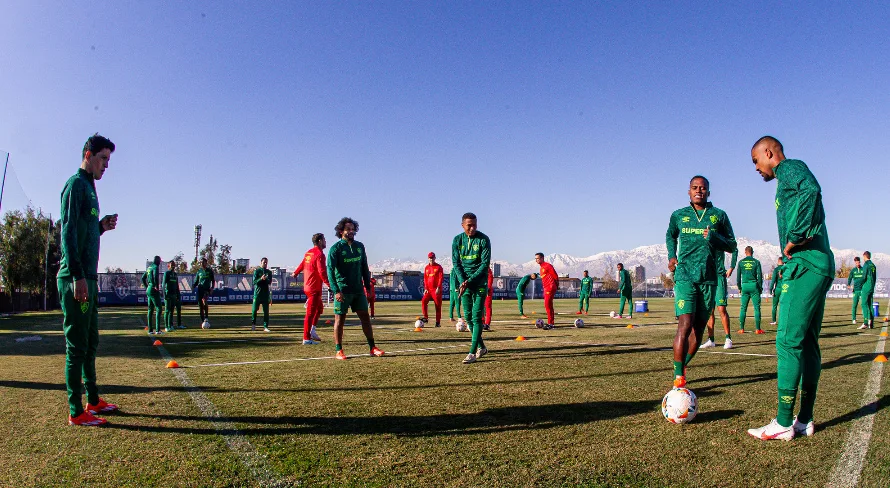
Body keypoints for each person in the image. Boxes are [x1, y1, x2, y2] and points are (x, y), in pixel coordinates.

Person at [747, 136, 834, 441]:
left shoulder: (790, 168)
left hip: (806, 264)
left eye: (756, 161)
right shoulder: (784, 178)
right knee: (808, 343)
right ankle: (804, 419)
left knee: (787, 341)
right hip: (815, 263)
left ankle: (784, 421)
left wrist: (794, 238)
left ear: (769, 153)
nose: (756, 168)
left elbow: (812, 191)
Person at [58, 133, 119, 426]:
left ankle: (93, 401)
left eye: (108, 159)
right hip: (76, 278)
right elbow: (67, 232)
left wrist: (100, 227)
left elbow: (84, 231)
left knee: (91, 342)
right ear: (87, 154)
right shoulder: (76, 185)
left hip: (88, 278)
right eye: (103, 158)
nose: (106, 165)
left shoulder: (91, 189)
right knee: (77, 345)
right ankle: (75, 411)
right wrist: (78, 277)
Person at [665, 175, 737, 389]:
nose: (699, 191)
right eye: (695, 188)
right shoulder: (679, 215)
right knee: (684, 325)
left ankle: (682, 366)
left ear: (708, 192)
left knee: (698, 332)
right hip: (685, 276)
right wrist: (671, 255)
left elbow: (732, 245)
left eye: (703, 188)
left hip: (709, 280)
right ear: (688, 191)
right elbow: (670, 235)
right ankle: (679, 379)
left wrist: (714, 237)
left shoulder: (719, 216)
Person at [327, 217, 384, 359]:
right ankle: (339, 350)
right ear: (341, 231)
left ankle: (372, 347)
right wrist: (336, 291)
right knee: (340, 320)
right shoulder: (336, 249)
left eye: (353, 229)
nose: (351, 232)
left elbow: (364, 267)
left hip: (358, 290)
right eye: (348, 229)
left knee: (365, 318)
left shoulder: (360, 246)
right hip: (343, 291)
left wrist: (367, 286)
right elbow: (330, 270)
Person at [452, 212, 491, 364]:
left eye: (475, 224)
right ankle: (482, 347)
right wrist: (463, 281)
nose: (472, 228)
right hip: (465, 283)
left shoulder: (484, 239)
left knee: (476, 317)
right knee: (467, 318)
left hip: (479, 283)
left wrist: (469, 281)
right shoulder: (457, 240)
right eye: (469, 225)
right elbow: (456, 263)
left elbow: (484, 264)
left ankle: (472, 353)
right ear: (462, 225)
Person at [294, 233, 328, 344]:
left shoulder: (309, 253)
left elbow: (302, 264)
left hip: (308, 286)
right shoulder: (319, 254)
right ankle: (306, 338)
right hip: (314, 288)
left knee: (319, 309)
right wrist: (329, 284)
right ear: (319, 241)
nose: (325, 241)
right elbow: (322, 271)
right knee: (310, 313)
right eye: (324, 240)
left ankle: (312, 331)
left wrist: (296, 272)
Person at [702, 246, 737, 349]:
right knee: (710, 311)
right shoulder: (703, 241)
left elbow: (734, 249)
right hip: (707, 279)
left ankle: (728, 339)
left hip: (719, 277)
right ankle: (711, 340)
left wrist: (732, 267)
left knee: (721, 309)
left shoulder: (718, 239)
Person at [737, 246, 764, 334]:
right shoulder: (756, 262)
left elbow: (738, 277)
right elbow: (760, 276)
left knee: (743, 308)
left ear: (745, 252)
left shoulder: (741, 262)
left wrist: (739, 287)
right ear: (753, 252)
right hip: (754, 285)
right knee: (756, 308)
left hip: (744, 285)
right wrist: (760, 288)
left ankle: (741, 329)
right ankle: (757, 329)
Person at [420, 252, 444, 327]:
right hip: (429, 289)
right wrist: (426, 288)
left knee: (437, 305)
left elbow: (441, 278)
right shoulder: (426, 267)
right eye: (430, 258)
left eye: (432, 258)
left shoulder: (439, 267)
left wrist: (438, 287)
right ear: (428, 258)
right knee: (424, 301)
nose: (431, 259)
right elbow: (425, 279)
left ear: (435, 258)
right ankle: (425, 318)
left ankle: (438, 322)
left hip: (436, 290)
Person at [142, 256, 165, 333]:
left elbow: (143, 278)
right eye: (160, 261)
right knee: (159, 308)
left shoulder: (149, 267)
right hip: (153, 288)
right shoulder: (155, 267)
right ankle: (158, 330)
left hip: (149, 288)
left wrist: (146, 287)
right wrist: (156, 287)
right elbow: (155, 276)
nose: (160, 262)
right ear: (157, 261)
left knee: (150, 309)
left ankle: (150, 330)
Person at [536, 253, 558, 329]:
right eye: (535, 258)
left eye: (538, 258)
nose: (536, 260)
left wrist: (556, 286)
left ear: (542, 258)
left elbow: (555, 276)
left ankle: (551, 324)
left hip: (550, 287)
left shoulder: (548, 266)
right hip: (546, 288)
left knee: (547, 305)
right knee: (548, 305)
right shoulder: (541, 267)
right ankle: (551, 323)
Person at [251, 258, 272, 332]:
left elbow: (269, 282)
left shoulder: (269, 272)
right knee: (254, 310)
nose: (265, 264)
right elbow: (254, 282)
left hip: (265, 294)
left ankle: (265, 326)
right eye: (264, 262)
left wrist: (265, 279)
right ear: (261, 263)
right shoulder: (257, 271)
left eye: (266, 263)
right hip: (257, 294)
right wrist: (261, 279)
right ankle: (253, 324)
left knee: (266, 311)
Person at [858, 251, 877, 330]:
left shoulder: (866, 265)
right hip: (872, 286)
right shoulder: (873, 265)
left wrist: (860, 285)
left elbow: (864, 277)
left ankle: (865, 323)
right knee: (870, 304)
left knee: (864, 304)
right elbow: (875, 277)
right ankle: (871, 322)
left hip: (866, 286)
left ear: (864, 256)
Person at [193, 257, 215, 324]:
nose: (202, 264)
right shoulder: (199, 271)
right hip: (200, 289)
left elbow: (213, 280)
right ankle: (203, 321)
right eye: (201, 263)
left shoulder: (209, 271)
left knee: (204, 300)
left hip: (206, 289)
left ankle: (206, 317)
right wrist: (193, 286)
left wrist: (212, 288)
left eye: (203, 262)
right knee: (200, 306)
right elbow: (196, 281)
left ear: (206, 263)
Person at [163, 260, 183, 330]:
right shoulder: (167, 273)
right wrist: (164, 294)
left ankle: (170, 325)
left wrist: (178, 295)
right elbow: (163, 284)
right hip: (168, 294)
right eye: (172, 264)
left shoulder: (175, 274)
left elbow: (177, 285)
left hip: (174, 295)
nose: (173, 266)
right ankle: (166, 326)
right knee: (167, 310)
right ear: (169, 266)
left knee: (172, 311)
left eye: (174, 264)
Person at [847, 257, 864, 324]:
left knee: (864, 304)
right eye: (856, 262)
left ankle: (866, 318)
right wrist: (848, 284)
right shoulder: (853, 270)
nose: (857, 263)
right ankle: (854, 319)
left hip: (862, 290)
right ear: (855, 263)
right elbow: (850, 278)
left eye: (858, 262)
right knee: (854, 305)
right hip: (856, 290)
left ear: (860, 262)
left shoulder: (863, 269)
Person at [769, 256, 785, 326]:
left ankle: (774, 321)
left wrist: (770, 290)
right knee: (783, 306)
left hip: (777, 289)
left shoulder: (776, 270)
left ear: (778, 261)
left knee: (774, 306)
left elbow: (773, 281)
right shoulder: (786, 268)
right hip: (785, 289)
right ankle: (783, 320)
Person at [483, 265, 494, 330]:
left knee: (488, 306)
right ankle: (482, 322)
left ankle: (487, 324)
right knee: (479, 307)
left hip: (487, 290)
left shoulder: (487, 268)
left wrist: (488, 288)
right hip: (479, 289)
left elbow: (490, 277)